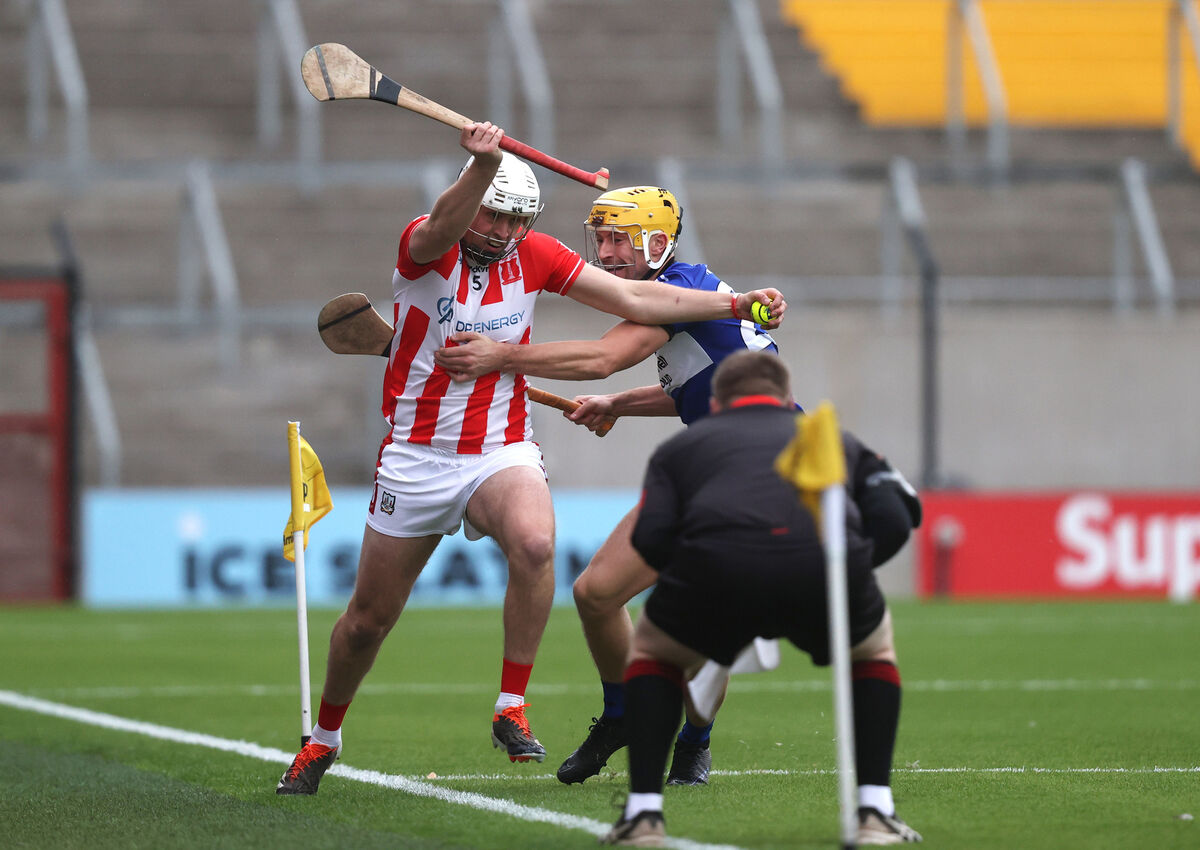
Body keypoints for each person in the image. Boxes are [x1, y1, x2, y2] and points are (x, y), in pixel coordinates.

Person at [275, 125, 787, 795]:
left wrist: (733, 300)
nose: (504, 229)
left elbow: (624, 317)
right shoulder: (423, 252)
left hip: (502, 447)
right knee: (367, 623)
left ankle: (515, 704)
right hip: (416, 455)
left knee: (538, 543)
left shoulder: (540, 256)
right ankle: (323, 740)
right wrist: (482, 166)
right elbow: (445, 223)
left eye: (518, 218)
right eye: (494, 212)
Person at [433, 185, 791, 786]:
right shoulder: (688, 290)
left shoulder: (686, 294)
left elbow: (601, 358)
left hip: (758, 468)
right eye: (598, 238)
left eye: (617, 239)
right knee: (597, 594)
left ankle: (693, 743)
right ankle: (624, 715)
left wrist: (502, 357)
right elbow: (695, 388)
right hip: (703, 463)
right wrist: (620, 404)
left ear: (657, 240)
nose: (604, 252)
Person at [600, 350, 922, 847]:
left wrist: (694, 579)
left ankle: (643, 817)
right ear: (787, 399)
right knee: (873, 651)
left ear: (719, 402)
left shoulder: (683, 450)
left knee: (653, 653)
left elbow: (652, 538)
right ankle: (876, 813)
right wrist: (849, 567)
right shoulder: (830, 438)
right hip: (821, 571)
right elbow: (900, 515)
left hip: (714, 570)